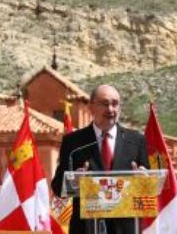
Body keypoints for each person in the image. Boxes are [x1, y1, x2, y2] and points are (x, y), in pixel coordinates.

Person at [52, 84, 150, 234]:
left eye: (115, 104)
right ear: (91, 107)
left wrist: (144, 180)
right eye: (105, 104)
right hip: (85, 228)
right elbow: (57, 187)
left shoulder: (136, 140)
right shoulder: (73, 142)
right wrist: (74, 181)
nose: (110, 109)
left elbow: (148, 189)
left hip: (125, 228)